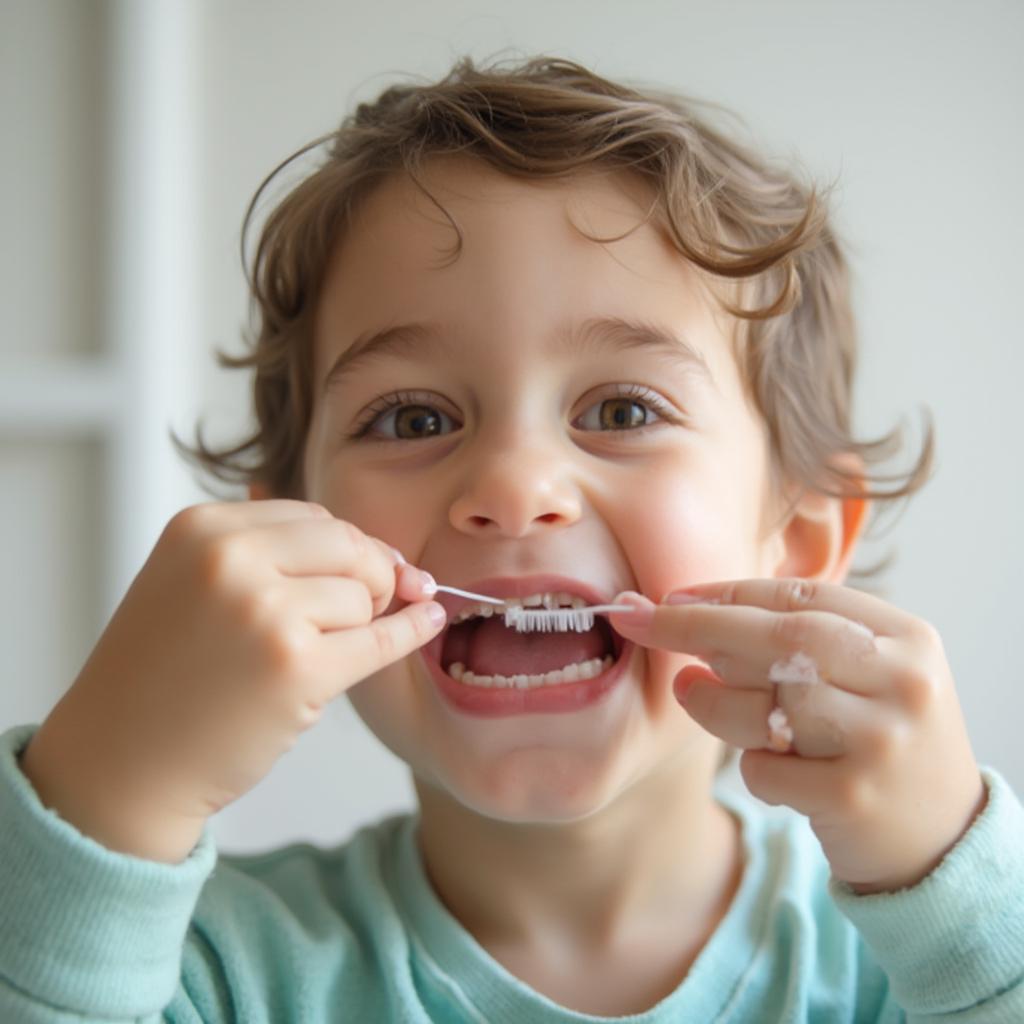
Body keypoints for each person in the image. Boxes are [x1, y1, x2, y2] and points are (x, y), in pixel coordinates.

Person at [2, 55, 1021, 1022]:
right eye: (412, 418)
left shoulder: (911, 963)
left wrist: (962, 906)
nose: (513, 487)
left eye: (622, 411)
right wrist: (105, 797)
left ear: (795, 543)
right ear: (288, 541)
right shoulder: (196, 972)